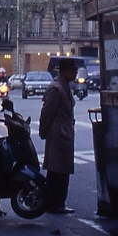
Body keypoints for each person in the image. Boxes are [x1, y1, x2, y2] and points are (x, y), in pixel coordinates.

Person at [40, 57, 77, 214]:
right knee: (58, 169)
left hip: (64, 131)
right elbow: (47, 112)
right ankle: (56, 202)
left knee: (61, 168)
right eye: (73, 70)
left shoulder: (64, 87)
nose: (75, 73)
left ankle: (56, 202)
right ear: (66, 71)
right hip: (59, 132)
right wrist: (43, 131)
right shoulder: (56, 88)